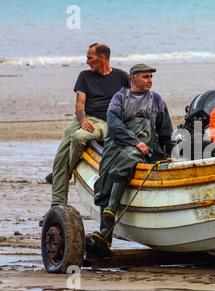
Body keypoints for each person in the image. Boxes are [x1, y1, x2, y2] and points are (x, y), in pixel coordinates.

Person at [91, 63, 176, 248]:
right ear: (133, 78)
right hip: (116, 146)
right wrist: (134, 141)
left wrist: (173, 155)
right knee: (103, 186)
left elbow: (165, 133)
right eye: (145, 77)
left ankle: (110, 215)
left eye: (151, 77)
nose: (150, 81)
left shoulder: (157, 100)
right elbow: (114, 126)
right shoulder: (120, 98)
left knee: (130, 156)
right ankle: (105, 239)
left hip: (143, 150)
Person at [49, 43, 130, 208]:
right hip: (83, 118)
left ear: (102, 58)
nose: (87, 61)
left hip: (107, 121)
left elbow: (131, 102)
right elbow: (80, 104)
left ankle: (69, 169)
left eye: (90, 58)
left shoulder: (121, 76)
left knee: (78, 138)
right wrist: (83, 120)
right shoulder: (84, 76)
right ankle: (57, 205)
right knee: (60, 157)